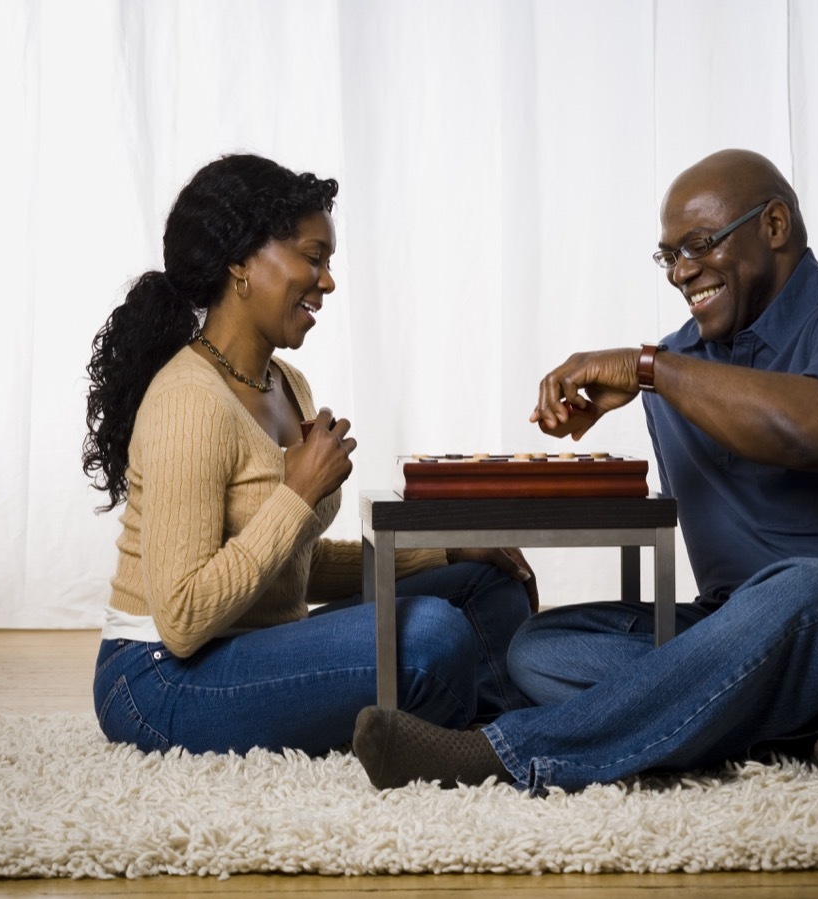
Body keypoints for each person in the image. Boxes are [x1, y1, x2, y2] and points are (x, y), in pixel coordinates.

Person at [351, 148, 818, 794]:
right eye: (669, 254)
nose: (680, 271)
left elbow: (814, 434)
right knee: (543, 648)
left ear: (775, 225)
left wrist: (651, 371)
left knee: (805, 593)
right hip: (756, 637)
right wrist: (638, 390)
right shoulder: (681, 363)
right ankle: (809, 734)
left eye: (699, 243)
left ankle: (510, 754)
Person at [82, 153, 534, 756]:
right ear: (241, 262)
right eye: (313, 258)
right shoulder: (188, 402)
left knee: (481, 586)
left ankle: (487, 732)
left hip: (253, 644)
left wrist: (444, 551)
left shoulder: (286, 383)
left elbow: (292, 569)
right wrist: (296, 494)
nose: (327, 282)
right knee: (429, 637)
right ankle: (469, 719)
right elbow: (184, 618)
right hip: (159, 678)